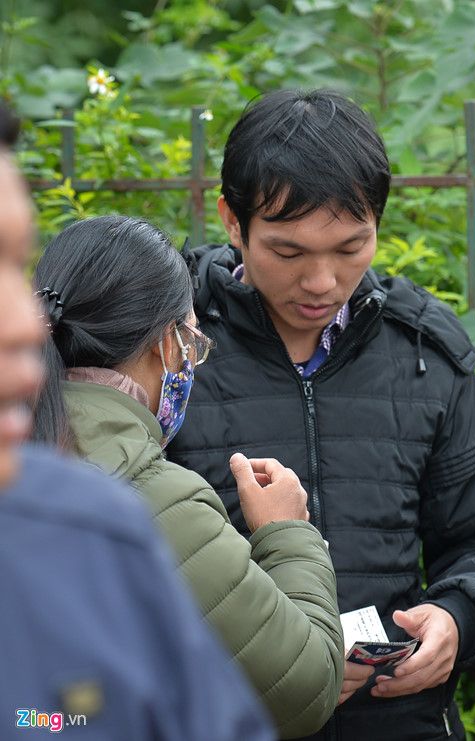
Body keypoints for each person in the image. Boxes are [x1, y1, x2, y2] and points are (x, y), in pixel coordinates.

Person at [166, 89, 475, 740]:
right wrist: (264, 661)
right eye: (288, 252)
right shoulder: (168, 351)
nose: (321, 281)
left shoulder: (422, 351)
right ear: (233, 222)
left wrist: (457, 617)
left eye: (350, 247)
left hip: (400, 720)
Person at [0, 103, 274, 740]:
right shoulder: (139, 506)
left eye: (15, 266)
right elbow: (302, 683)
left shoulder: (91, 524)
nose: (19, 326)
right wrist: (288, 537)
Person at [32, 214, 344, 739]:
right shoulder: (152, 497)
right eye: (193, 342)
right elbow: (304, 689)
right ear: (165, 345)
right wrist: (286, 533)